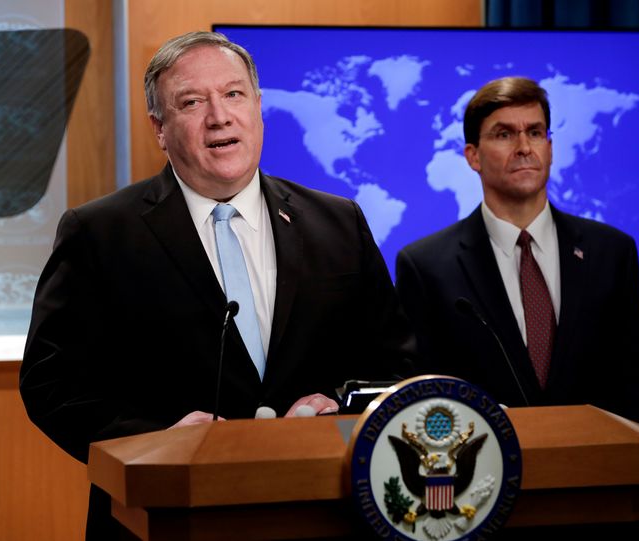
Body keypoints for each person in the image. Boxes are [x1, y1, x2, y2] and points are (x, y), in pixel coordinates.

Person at [20, 31, 414, 539]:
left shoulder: (338, 222)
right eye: (191, 102)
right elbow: (52, 385)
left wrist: (334, 404)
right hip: (166, 517)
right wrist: (154, 442)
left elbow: (396, 363)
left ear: (258, 106)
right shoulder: (99, 233)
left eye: (233, 94)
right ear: (159, 129)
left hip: (322, 508)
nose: (219, 116)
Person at [396, 76, 639, 431]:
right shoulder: (426, 267)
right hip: (486, 474)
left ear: (550, 148)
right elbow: (424, 404)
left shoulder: (612, 253)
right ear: (473, 156)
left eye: (535, 132)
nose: (524, 147)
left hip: (598, 474)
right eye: (504, 134)